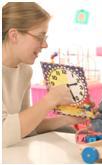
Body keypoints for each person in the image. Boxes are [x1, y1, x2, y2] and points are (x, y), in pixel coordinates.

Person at [2, 2, 85, 147]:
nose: (44, 45)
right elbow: (3, 134)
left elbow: (25, 126)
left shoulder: (25, 72)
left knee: (67, 130)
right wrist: (50, 99)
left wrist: (66, 119)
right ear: (14, 35)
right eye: (40, 37)